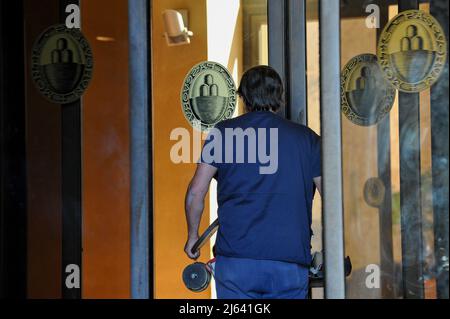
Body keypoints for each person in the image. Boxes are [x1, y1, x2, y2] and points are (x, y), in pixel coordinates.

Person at [184, 65, 322, 299]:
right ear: (279, 96)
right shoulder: (306, 139)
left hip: (237, 261)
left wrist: (192, 236)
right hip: (289, 260)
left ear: (243, 97)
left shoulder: (223, 134)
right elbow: (331, 197)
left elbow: (196, 192)